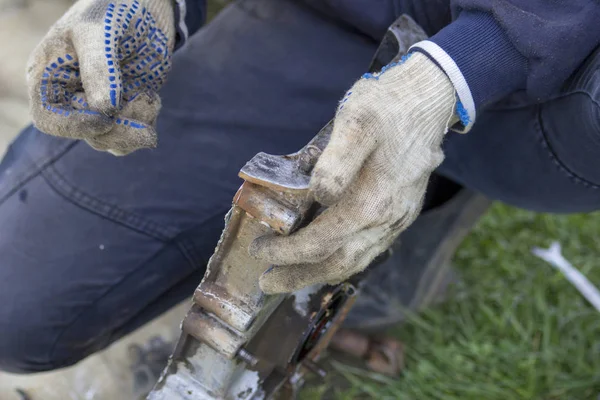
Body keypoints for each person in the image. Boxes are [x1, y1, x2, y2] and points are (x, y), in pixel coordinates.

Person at [0, 0, 598, 374]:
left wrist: (460, 69)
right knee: (15, 304)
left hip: (564, 79)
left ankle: (430, 191)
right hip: (336, 19)